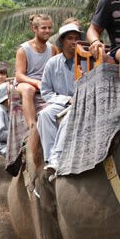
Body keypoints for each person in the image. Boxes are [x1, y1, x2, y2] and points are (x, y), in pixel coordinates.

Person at [37, 22, 85, 164]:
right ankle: (50, 160)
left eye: (76, 38)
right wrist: (66, 99)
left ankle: (58, 156)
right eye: (70, 38)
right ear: (62, 41)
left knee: (71, 115)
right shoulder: (52, 63)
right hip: (61, 103)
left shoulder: (87, 60)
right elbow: (46, 92)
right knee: (45, 115)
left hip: (82, 102)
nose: (74, 42)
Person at [15, 14, 57, 127]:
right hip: (26, 83)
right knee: (28, 89)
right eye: (44, 28)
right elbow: (19, 76)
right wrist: (37, 83)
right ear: (35, 29)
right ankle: (32, 126)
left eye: (49, 27)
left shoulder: (52, 49)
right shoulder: (23, 49)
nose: (47, 31)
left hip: (45, 84)